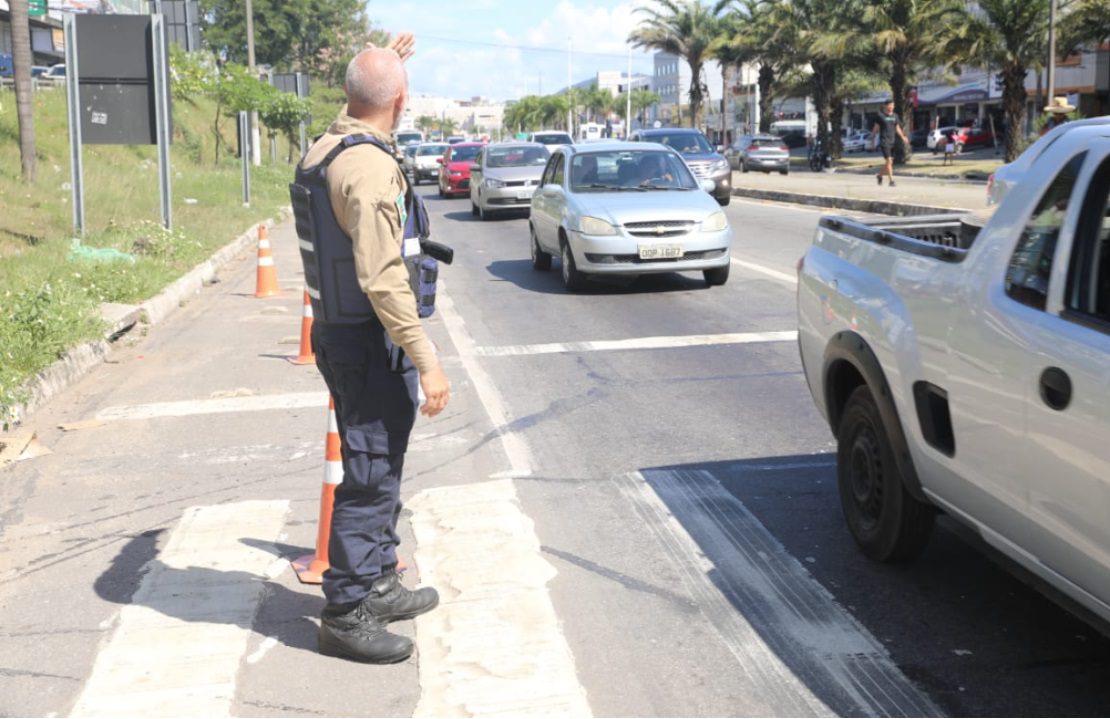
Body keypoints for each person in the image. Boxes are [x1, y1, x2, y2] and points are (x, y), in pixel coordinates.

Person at [296, 35, 450, 665]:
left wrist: (384, 66)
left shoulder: (331, 142)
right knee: (369, 468)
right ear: (401, 101)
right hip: (367, 339)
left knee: (379, 458)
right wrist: (428, 359)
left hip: (343, 333)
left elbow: (366, 104)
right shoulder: (366, 167)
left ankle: (379, 580)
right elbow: (383, 277)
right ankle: (347, 609)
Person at [871, 100, 909, 187]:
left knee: (889, 162)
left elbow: (897, 128)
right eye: (890, 105)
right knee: (888, 160)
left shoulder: (895, 116)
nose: (892, 107)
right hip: (884, 141)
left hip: (893, 141)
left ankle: (880, 176)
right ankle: (891, 181)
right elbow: (875, 129)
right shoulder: (880, 116)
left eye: (893, 105)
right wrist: (872, 140)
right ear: (886, 106)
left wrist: (903, 137)